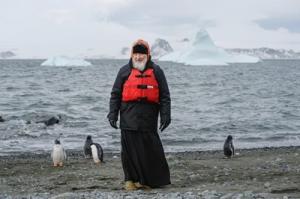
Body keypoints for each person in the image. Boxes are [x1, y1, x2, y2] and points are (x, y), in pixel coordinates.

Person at [107, 39, 171, 190]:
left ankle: (147, 180)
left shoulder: (157, 71)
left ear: (147, 55)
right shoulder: (124, 71)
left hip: (149, 118)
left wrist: (166, 115)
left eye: (141, 54)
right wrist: (112, 114)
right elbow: (115, 94)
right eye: (136, 54)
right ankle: (130, 180)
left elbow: (165, 96)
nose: (138, 57)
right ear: (132, 54)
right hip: (128, 117)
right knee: (128, 151)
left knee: (150, 149)